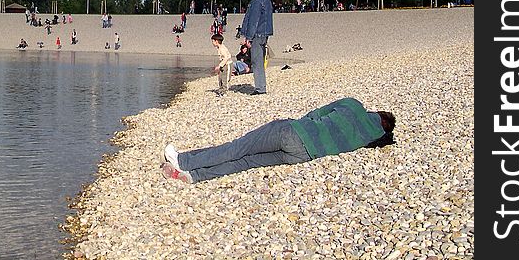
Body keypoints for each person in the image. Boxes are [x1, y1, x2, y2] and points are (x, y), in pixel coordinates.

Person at [161, 97, 396, 184]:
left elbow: (318, 113)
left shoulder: (354, 105)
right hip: (302, 156)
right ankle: (195, 176)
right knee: (246, 162)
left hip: (294, 133)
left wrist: (299, 124)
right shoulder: (372, 138)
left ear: (377, 113)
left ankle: (184, 160)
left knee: (237, 148)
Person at [239, 0, 273, 95]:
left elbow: (253, 20)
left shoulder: (257, 0)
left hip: (258, 34)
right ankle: (261, 86)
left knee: (256, 61)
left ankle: (260, 88)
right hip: (264, 33)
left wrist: (248, 37)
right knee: (259, 59)